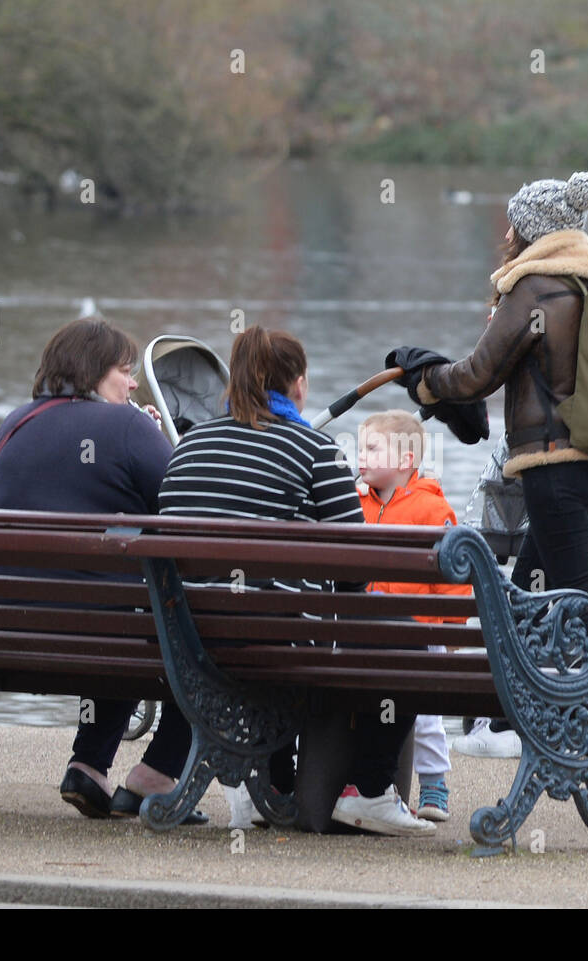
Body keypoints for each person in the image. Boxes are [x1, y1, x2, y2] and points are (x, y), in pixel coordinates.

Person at [392, 171, 588, 761]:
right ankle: (500, 720)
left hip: (553, 469)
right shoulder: (585, 287)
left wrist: (423, 382)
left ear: (528, 229)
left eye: (511, 222)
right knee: (524, 593)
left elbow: (477, 373)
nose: (505, 232)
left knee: (580, 593)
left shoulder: (535, 290)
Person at [158, 325, 434, 836]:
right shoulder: (315, 448)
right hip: (276, 644)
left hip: (186, 641)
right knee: (409, 639)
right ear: (298, 385)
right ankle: (370, 790)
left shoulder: (188, 447)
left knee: (277, 610)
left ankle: (272, 787)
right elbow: (356, 567)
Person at [0, 318, 204, 820]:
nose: (132, 383)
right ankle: (156, 774)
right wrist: (148, 433)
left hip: (2, 631)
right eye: (125, 371)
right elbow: (186, 508)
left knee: (108, 603)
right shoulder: (127, 425)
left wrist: (134, 432)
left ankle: (90, 767)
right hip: (102, 634)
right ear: (92, 372)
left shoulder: (14, 423)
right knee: (189, 628)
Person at [357, 409, 470, 821]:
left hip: (420, 633)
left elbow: (454, 577)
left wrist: (453, 629)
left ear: (406, 460)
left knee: (424, 718)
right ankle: (370, 784)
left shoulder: (430, 508)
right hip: (367, 633)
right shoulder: (357, 504)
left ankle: (434, 784)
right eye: (360, 447)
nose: (361, 456)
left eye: (372, 448)